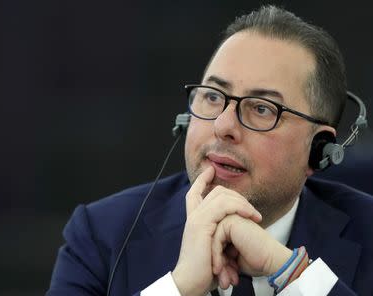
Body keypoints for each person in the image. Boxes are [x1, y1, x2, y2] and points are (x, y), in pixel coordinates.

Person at [46, 5, 373, 296]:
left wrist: (289, 272)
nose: (222, 126)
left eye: (261, 108)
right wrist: (179, 288)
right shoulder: (100, 235)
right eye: (214, 97)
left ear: (319, 149)